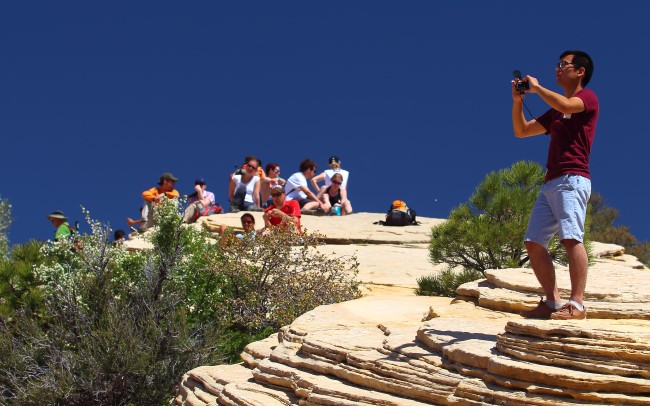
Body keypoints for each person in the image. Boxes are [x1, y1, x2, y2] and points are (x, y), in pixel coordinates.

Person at [512, 50, 598, 320]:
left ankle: (578, 304)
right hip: (550, 182)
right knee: (533, 242)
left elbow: (566, 106)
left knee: (571, 238)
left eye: (564, 64)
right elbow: (522, 131)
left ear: (580, 71)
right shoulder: (556, 110)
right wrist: (518, 101)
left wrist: (537, 89)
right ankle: (552, 301)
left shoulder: (587, 98)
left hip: (573, 179)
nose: (558, 68)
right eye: (557, 64)